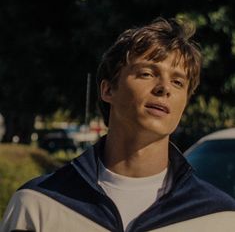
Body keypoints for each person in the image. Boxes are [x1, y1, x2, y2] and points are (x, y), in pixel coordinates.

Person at [1, 17, 235, 232]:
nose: (164, 88)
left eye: (177, 81)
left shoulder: (220, 218)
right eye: (146, 73)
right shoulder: (37, 204)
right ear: (108, 89)